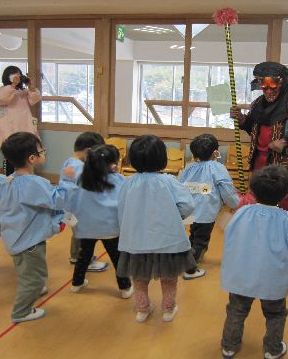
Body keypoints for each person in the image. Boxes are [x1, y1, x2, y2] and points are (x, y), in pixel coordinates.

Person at [220, 165, 288, 359]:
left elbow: (228, 232)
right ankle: (273, 349)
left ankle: (229, 346)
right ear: (286, 193)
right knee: (276, 314)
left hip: (241, 275)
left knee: (236, 310)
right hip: (273, 277)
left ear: (253, 190)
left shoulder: (242, 212)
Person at [117, 135, 195, 323]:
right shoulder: (169, 181)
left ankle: (142, 310)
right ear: (162, 157)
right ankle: (168, 309)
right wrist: (176, 216)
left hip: (137, 240)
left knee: (139, 277)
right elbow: (187, 205)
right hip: (167, 240)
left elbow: (121, 209)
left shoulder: (127, 182)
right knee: (169, 277)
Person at [0, 132, 71, 323]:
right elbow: (57, 200)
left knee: (26, 270)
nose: (44, 154)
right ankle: (21, 312)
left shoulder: (9, 180)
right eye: (42, 151)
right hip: (28, 242)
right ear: (32, 158)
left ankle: (34, 287)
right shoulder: (34, 183)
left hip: (15, 237)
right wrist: (68, 180)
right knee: (35, 277)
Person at [230, 62, 288, 221]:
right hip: (259, 160)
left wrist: (284, 141)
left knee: (285, 197)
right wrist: (241, 118)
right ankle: (262, 226)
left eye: (272, 86)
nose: (268, 91)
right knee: (258, 196)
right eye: (264, 87)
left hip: (283, 163)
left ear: (281, 82)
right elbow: (252, 128)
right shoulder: (258, 103)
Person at [61, 144, 133, 298]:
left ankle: (77, 283)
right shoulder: (118, 179)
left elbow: (70, 190)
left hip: (86, 227)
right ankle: (125, 287)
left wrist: (68, 176)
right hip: (110, 228)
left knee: (84, 256)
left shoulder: (82, 178)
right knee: (117, 258)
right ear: (113, 165)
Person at [178, 134, 240, 280]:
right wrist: (235, 204)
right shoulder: (218, 168)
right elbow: (226, 189)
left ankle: (190, 254)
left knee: (194, 234)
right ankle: (190, 266)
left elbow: (179, 186)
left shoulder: (188, 167)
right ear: (215, 152)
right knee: (201, 239)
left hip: (189, 210)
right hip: (206, 212)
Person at [60, 131, 108, 272]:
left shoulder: (69, 161)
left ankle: (76, 256)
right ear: (88, 151)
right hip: (79, 208)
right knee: (84, 235)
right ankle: (83, 260)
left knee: (78, 233)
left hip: (69, 208)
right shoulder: (80, 167)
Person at [0, 66, 41, 175]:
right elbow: (2, 99)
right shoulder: (1, 90)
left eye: (19, 75)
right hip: (10, 129)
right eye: (15, 75)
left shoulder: (23, 91)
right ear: (8, 77)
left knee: (27, 156)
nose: (18, 77)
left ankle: (26, 178)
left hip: (24, 127)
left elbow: (35, 99)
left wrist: (32, 87)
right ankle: (9, 179)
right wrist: (13, 85)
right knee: (10, 156)